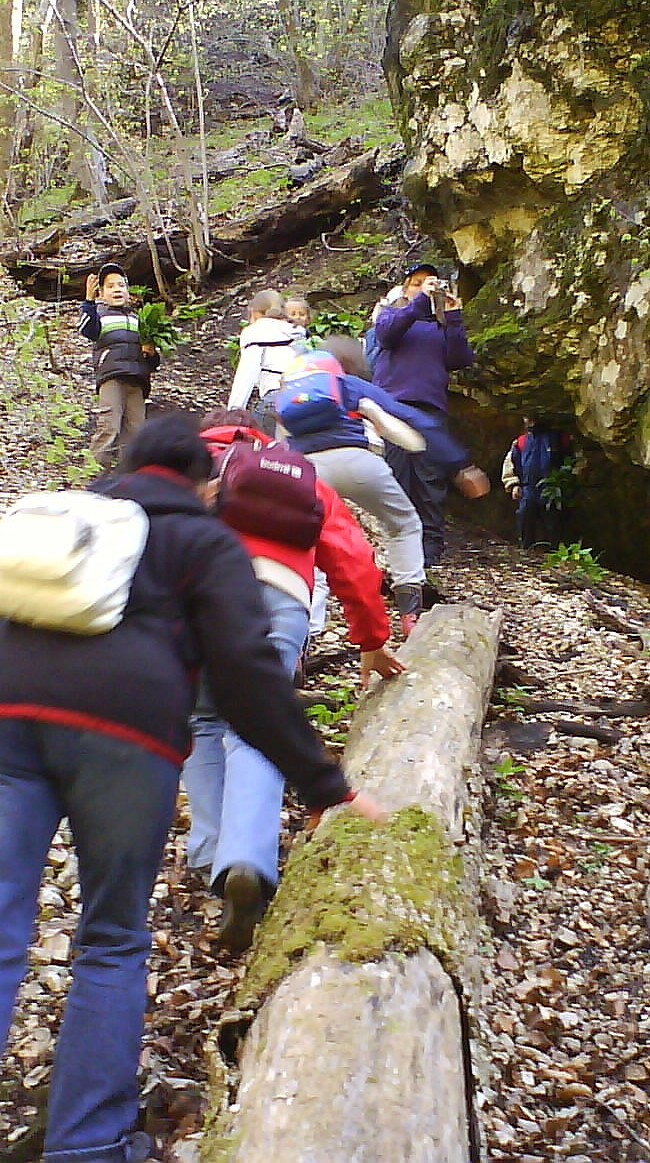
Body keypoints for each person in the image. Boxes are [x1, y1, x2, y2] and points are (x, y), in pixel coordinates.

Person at [0, 412, 383, 1163]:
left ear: (124, 467)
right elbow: (248, 676)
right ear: (207, 482)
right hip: (125, 736)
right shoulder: (204, 539)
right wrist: (326, 786)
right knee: (112, 938)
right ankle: (88, 1144)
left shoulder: (67, 514)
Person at [186, 408, 404, 953]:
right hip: (281, 599)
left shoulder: (184, 466)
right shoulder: (296, 471)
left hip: (196, 594)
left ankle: (213, 855)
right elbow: (352, 556)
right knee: (256, 725)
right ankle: (247, 859)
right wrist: (371, 639)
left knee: (201, 719)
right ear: (262, 431)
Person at [275, 337, 431, 637]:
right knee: (403, 524)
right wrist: (417, 444)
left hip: (310, 470)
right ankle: (409, 611)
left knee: (311, 539)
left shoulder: (287, 398)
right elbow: (387, 422)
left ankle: (306, 628)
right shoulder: (347, 386)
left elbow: (281, 443)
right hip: (360, 462)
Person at [372, 263, 490, 566]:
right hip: (391, 407)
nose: (424, 287)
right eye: (416, 282)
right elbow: (386, 334)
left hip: (430, 408)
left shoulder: (438, 326)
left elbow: (459, 358)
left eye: (430, 283)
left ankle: (430, 549)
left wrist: (453, 316)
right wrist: (420, 300)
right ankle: (394, 546)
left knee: (429, 481)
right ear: (404, 288)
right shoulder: (391, 314)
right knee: (395, 476)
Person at [78, 263, 160, 470]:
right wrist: (88, 300)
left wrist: (150, 353)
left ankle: (130, 475)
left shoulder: (137, 319)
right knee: (108, 425)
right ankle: (95, 472)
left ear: (128, 291)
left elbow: (153, 362)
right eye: (111, 286)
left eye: (121, 286)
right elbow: (86, 329)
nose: (117, 290)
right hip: (111, 376)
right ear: (102, 293)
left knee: (136, 430)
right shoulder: (100, 315)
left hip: (138, 380)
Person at [227, 290, 305, 421]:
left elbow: (247, 372)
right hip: (306, 398)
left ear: (254, 312)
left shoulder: (256, 332)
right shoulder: (298, 332)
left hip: (277, 398)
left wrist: (233, 412)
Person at [503, 416, 575, 548]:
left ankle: (557, 554)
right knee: (525, 518)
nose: (529, 420)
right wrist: (513, 484)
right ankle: (526, 551)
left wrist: (568, 481)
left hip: (553, 488)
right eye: (526, 417)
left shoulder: (560, 438)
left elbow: (574, 460)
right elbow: (510, 463)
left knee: (555, 523)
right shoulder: (521, 441)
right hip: (528, 488)